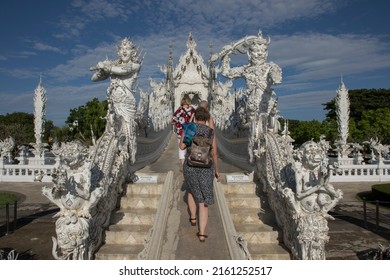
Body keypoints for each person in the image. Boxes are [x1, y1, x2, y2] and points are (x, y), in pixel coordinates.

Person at [90, 37, 142, 164]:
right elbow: (94, 78)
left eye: (128, 49)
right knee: (112, 129)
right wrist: (101, 68)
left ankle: (130, 161)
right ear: (118, 52)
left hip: (127, 104)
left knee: (128, 131)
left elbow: (121, 71)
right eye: (122, 49)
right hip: (114, 104)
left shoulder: (135, 65)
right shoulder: (113, 65)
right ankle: (113, 158)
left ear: (133, 52)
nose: (124, 51)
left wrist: (106, 66)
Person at [179, 107, 219, 242]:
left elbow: (182, 147)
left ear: (195, 117)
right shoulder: (210, 131)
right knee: (203, 201)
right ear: (207, 119)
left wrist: (189, 124)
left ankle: (193, 217)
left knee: (191, 190)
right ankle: (202, 233)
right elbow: (214, 152)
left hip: (190, 166)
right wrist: (216, 170)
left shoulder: (190, 128)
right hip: (206, 167)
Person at [172, 97, 195, 169]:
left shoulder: (178, 111)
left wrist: (179, 125)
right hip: (190, 132)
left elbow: (172, 121)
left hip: (181, 132)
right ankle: (190, 164)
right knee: (190, 147)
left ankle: (182, 166)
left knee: (181, 149)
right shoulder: (192, 110)